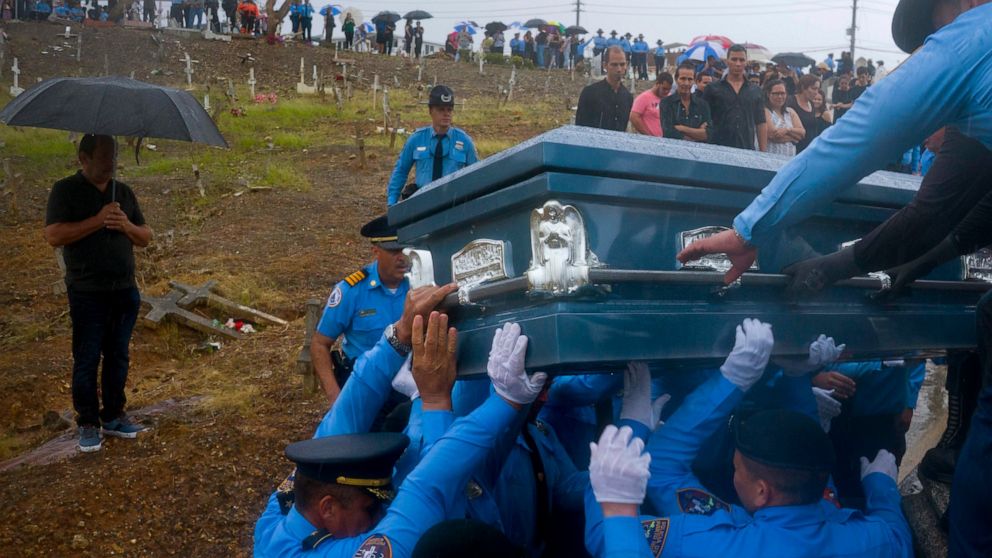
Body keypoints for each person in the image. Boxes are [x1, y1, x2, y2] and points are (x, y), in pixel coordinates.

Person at [584, 319, 913, 558]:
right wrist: (795, 376)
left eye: (737, 466)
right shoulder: (867, 539)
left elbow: (611, 529)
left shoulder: (707, 543)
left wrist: (615, 495)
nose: (733, 470)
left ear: (760, 491)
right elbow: (897, 534)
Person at [255, 311, 548, 558]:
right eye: (371, 508)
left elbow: (336, 430)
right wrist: (502, 400)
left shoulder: (276, 524)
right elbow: (430, 489)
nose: (381, 513)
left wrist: (397, 338)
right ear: (328, 508)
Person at [44, 135, 153, 453]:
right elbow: (53, 235)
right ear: (84, 158)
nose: (111, 163)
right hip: (88, 291)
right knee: (88, 357)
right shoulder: (66, 190)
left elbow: (145, 236)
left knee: (118, 355)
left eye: (114, 156)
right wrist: (97, 220)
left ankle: (114, 416)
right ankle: (88, 422)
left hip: (124, 290)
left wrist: (125, 225)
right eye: (104, 156)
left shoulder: (124, 192)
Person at [310, 215, 410, 404]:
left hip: (410, 385)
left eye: (405, 250)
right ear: (376, 251)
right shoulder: (351, 291)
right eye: (394, 251)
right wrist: (335, 396)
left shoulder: (418, 284)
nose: (401, 258)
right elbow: (320, 344)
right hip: (364, 387)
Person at [386, 86, 478, 206]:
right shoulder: (416, 139)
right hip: (422, 204)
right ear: (430, 111)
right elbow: (401, 170)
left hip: (452, 205)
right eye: (441, 110)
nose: (446, 114)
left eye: (449, 110)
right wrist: (392, 202)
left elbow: (476, 175)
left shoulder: (465, 141)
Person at [703, 44, 768, 151]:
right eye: (734, 59)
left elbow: (761, 123)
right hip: (717, 149)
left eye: (742, 60)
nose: (738, 63)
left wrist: (763, 153)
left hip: (746, 150)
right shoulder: (712, 88)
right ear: (727, 61)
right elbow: (704, 120)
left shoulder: (756, 91)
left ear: (746, 62)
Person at [575, 46, 634, 131]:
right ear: (605, 65)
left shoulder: (627, 97)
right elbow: (579, 127)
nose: (619, 69)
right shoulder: (590, 93)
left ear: (626, 65)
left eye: (622, 64)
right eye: (614, 64)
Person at [662, 62, 713, 142]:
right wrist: (697, 133)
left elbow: (707, 135)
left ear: (694, 81)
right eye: (683, 79)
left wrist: (682, 128)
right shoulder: (666, 103)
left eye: (690, 79)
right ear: (676, 79)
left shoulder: (703, 105)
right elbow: (669, 133)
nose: (686, 83)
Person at [763, 79, 804, 157]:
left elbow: (802, 133)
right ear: (768, 94)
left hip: (789, 159)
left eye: (782, 93)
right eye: (776, 93)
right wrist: (794, 138)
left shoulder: (790, 111)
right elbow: (773, 136)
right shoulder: (765, 111)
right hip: (770, 157)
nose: (780, 96)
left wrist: (787, 130)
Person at [630, 71, 672, 137]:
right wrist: (647, 135)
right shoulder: (644, 98)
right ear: (657, 84)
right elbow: (634, 117)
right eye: (664, 89)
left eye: (669, 89)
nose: (666, 92)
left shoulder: (669, 98)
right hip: (648, 140)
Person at [786, 74, 820, 153]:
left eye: (818, 89)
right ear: (803, 87)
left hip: (809, 149)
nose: (816, 92)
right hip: (794, 149)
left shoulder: (811, 104)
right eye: (813, 88)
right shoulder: (790, 102)